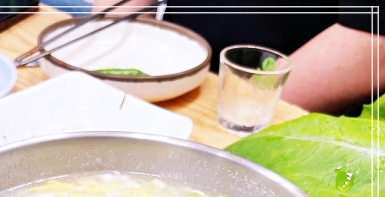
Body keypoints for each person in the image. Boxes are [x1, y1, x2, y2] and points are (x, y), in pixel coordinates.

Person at [92, 0, 385, 115]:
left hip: (267, 103)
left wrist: (245, 109)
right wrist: (121, 55)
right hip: (163, 68)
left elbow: (372, 39)